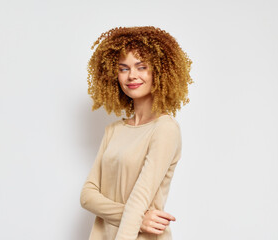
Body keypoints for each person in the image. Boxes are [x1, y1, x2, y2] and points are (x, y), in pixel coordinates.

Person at [80, 26, 193, 240]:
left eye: (141, 67)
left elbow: (140, 197)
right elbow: (87, 196)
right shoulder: (113, 131)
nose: (132, 75)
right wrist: (137, 217)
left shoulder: (165, 128)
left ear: (159, 71)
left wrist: (134, 215)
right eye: (123, 68)